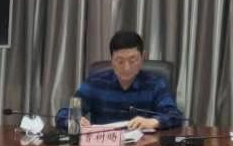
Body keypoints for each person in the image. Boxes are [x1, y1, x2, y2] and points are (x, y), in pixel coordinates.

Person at [55, 31, 183, 131]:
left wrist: (153, 122)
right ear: (111, 60)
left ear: (143, 57)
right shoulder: (95, 83)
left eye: (132, 60)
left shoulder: (155, 84)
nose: (126, 68)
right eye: (120, 61)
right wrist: (74, 121)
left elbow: (174, 115)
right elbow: (63, 114)